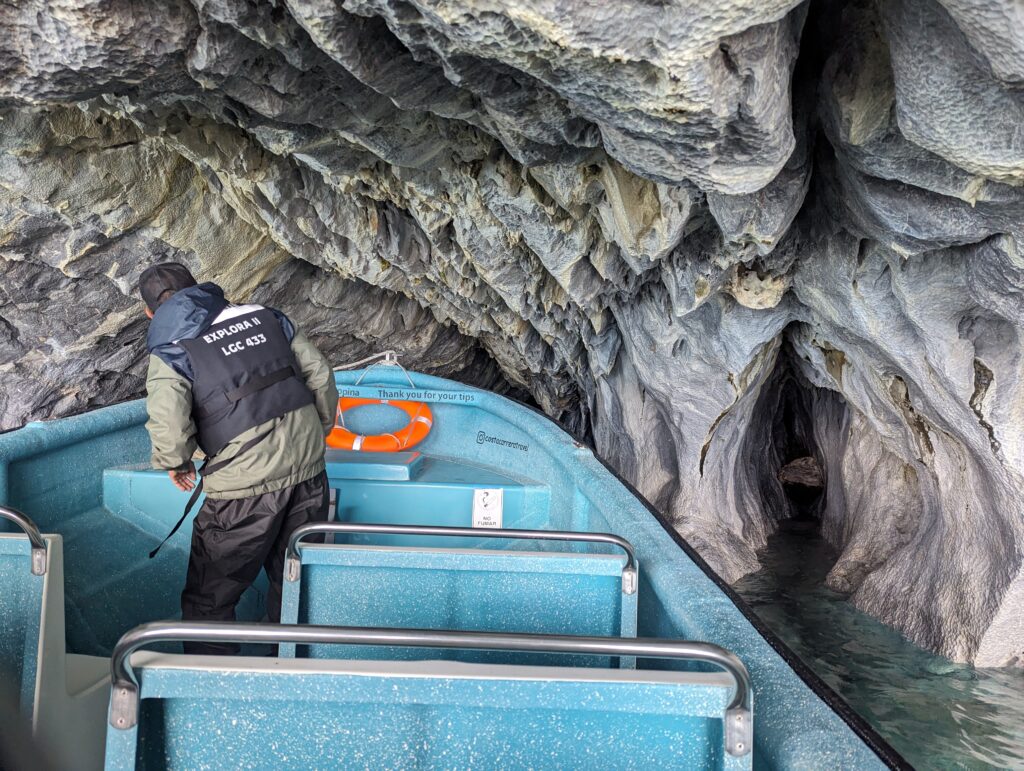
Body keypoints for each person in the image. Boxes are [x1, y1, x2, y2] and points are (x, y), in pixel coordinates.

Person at [139, 262, 338, 654]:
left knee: (209, 598)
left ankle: (211, 683)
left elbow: (169, 424)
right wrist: (318, 431)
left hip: (242, 492)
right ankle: (290, 668)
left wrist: (176, 463)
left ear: (150, 313)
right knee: (295, 580)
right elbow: (320, 375)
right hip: (309, 474)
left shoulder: (171, 350)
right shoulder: (267, 317)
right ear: (199, 288)